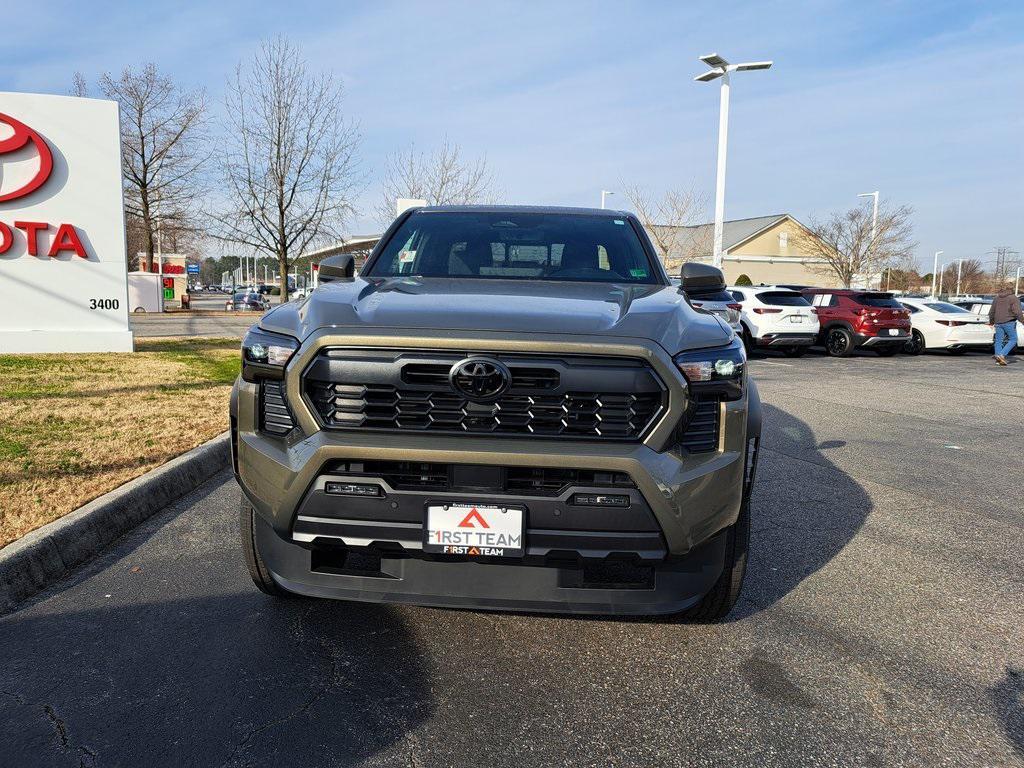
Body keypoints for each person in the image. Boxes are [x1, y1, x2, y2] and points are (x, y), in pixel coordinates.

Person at [988, 288, 1024, 365]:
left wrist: (991, 322)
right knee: (1013, 339)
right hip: (1009, 322)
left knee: (998, 341)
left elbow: (992, 311)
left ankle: (998, 358)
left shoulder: (996, 298)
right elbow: (1017, 312)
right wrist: (1022, 321)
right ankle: (1001, 355)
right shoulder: (1013, 298)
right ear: (1011, 291)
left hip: (997, 322)